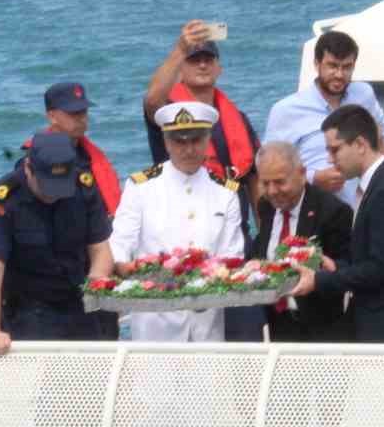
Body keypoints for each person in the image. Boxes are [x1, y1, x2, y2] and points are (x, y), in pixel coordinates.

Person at [290, 105, 384, 344]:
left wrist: (318, 280)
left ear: (360, 145)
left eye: (334, 149)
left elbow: (380, 268)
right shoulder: (380, 184)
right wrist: (336, 267)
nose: (330, 158)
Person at [110, 102, 246, 342]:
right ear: (166, 142)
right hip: (156, 325)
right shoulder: (141, 187)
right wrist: (120, 267)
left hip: (208, 324)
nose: (189, 149)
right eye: (180, 141)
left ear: (208, 140)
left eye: (196, 140)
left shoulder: (226, 192)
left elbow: (232, 255)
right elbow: (120, 242)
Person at [0, 132, 114, 354]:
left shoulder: (83, 185)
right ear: (29, 168)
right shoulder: (2, 200)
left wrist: (97, 283)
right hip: (29, 309)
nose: (54, 195)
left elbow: (100, 248)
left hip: (80, 300)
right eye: (48, 186)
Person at [262, 30, 384, 206]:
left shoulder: (364, 94)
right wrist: (313, 178)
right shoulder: (286, 110)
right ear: (317, 64)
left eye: (346, 67)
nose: (339, 74)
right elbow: (268, 166)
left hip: (366, 205)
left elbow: (382, 145)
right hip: (314, 210)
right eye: (332, 66)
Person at [143, 20, 262, 218]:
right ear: (180, 70)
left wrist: (265, 235)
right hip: (184, 223)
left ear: (219, 69)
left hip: (235, 229)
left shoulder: (239, 119)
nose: (203, 64)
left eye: (209, 59)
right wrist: (180, 50)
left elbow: (254, 180)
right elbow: (152, 100)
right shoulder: (169, 113)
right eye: (194, 59)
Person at [254, 141, 354, 341]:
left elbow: (348, 269)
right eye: (265, 183)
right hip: (276, 326)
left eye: (280, 182)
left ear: (301, 173)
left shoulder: (333, 212)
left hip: (321, 331)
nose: (272, 191)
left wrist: (327, 268)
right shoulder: (266, 205)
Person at [29, 81, 122, 216]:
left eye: (83, 112)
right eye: (73, 113)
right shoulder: (37, 159)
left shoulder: (91, 155)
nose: (81, 119)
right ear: (52, 117)